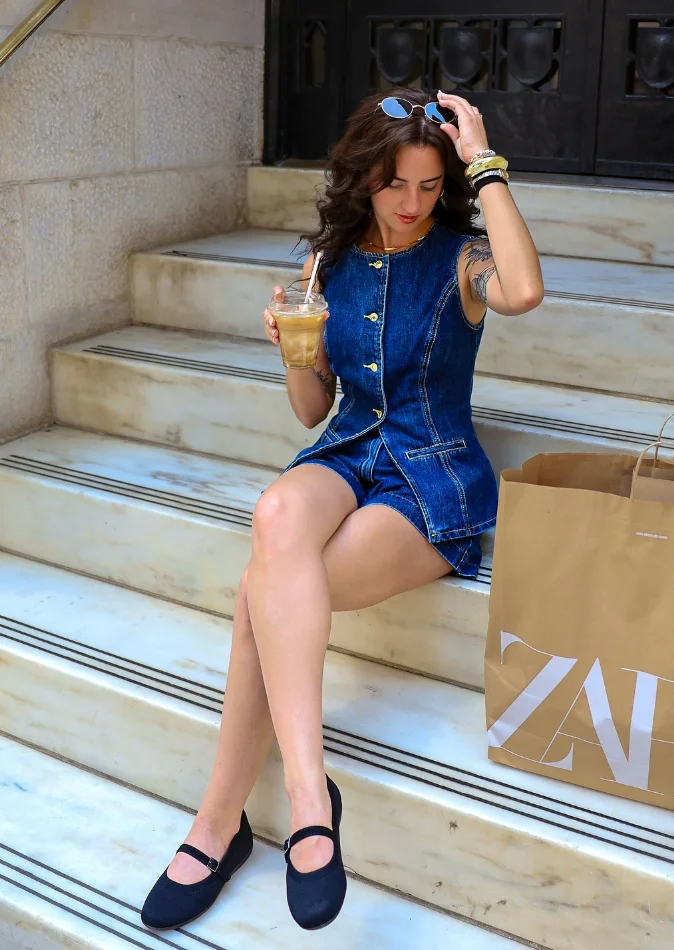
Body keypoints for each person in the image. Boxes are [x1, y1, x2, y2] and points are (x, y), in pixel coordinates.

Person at [141, 86, 544, 933]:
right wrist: (291, 348)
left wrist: (487, 164)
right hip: (348, 450)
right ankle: (305, 794)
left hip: (430, 477)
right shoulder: (330, 265)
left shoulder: (464, 259)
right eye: (396, 183)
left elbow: (526, 290)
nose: (411, 203)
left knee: (265, 595)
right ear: (363, 177)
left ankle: (227, 821)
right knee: (277, 516)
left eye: (431, 185)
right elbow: (309, 410)